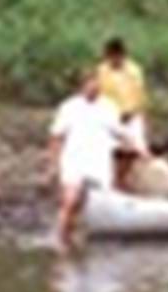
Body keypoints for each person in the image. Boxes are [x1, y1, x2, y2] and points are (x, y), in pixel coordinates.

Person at [48, 68, 136, 249]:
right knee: (71, 200)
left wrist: (137, 147)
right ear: (82, 86)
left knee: (95, 202)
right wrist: (54, 163)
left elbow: (119, 132)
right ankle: (60, 240)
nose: (94, 87)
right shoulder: (69, 107)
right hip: (74, 160)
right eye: (90, 83)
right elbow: (56, 137)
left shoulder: (108, 107)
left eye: (97, 83)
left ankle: (79, 237)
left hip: (98, 161)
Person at [97, 37, 149, 192]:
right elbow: (101, 95)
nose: (114, 60)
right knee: (111, 150)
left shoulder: (134, 71)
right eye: (110, 56)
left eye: (116, 56)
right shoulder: (102, 71)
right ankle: (111, 180)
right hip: (109, 115)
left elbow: (139, 95)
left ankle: (121, 179)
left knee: (133, 150)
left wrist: (135, 113)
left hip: (131, 114)